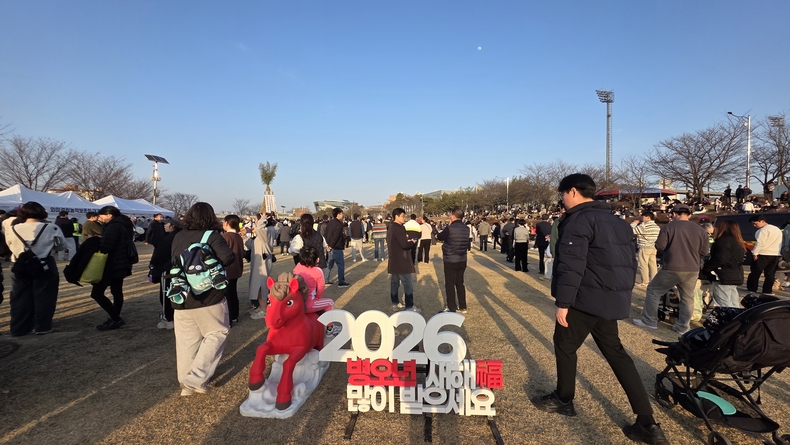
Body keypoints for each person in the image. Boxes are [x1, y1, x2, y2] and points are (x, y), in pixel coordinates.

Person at [531, 174, 668, 445]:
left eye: (562, 194)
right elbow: (629, 264)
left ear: (572, 191)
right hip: (607, 299)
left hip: (584, 298)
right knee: (617, 354)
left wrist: (563, 303)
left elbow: (571, 266)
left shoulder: (578, 220)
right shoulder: (619, 223)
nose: (562, 199)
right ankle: (647, 422)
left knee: (565, 345)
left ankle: (564, 399)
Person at [170, 202, 235, 395]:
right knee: (217, 333)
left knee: (186, 341)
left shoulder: (178, 236)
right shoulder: (211, 236)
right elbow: (228, 258)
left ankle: (185, 382)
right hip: (209, 296)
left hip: (182, 295)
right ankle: (196, 378)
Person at [634, 204, 709, 334]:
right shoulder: (700, 230)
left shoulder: (669, 227)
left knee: (653, 291)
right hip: (693, 268)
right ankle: (683, 327)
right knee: (687, 297)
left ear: (674, 214)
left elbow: (660, 246)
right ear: (689, 215)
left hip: (672, 266)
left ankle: (649, 321)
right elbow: (704, 251)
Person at [4, 202, 65, 336]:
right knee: (45, 297)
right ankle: (42, 326)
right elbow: (61, 246)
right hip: (44, 263)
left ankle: (20, 328)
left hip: (19, 264)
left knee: (19, 297)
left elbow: (9, 245)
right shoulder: (51, 227)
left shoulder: (12, 228)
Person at [89, 206, 136, 331]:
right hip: (122, 263)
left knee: (97, 293)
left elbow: (106, 247)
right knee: (117, 291)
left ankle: (115, 318)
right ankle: (115, 317)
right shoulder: (124, 224)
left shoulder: (113, 226)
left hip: (111, 264)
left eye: (102, 215)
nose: (100, 218)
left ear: (110, 215)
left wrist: (97, 241)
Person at [702, 219, 745, 308]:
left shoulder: (722, 241)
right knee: (733, 301)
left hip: (723, 275)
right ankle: (737, 316)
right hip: (735, 274)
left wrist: (706, 268)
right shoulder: (738, 241)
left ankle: (729, 316)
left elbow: (720, 259)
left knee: (724, 303)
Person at [149, 219, 181, 329]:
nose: (164, 226)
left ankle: (168, 318)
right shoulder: (182, 237)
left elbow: (158, 255)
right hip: (179, 269)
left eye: (166, 223)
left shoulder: (167, 239)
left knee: (166, 294)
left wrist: (153, 265)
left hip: (167, 270)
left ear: (172, 226)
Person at [387, 207, 419, 312]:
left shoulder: (391, 227)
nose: (404, 218)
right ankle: (409, 306)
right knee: (407, 283)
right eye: (402, 216)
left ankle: (394, 303)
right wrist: (412, 242)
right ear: (396, 216)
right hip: (402, 260)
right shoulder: (399, 228)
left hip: (394, 259)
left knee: (394, 282)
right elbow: (404, 245)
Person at [436, 207, 468, 313]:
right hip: (462, 258)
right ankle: (462, 305)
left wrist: (449, 225)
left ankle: (451, 307)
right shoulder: (466, 228)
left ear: (453, 216)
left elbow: (440, 236)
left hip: (450, 259)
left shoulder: (450, 228)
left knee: (449, 284)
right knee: (460, 283)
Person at [247, 213, 274, 320]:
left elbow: (259, 228)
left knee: (261, 286)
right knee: (257, 286)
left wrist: (263, 218)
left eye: (256, 220)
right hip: (258, 262)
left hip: (262, 263)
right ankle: (261, 307)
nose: (255, 221)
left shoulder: (267, 231)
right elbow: (252, 245)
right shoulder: (263, 233)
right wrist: (244, 238)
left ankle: (264, 310)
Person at [747, 214, 782, 295]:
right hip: (775, 254)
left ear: (762, 221)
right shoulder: (777, 229)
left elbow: (760, 243)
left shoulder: (762, 230)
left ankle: (752, 288)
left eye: (755, 223)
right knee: (770, 273)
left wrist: (755, 252)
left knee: (755, 272)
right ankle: (767, 290)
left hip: (763, 253)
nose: (754, 225)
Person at [222, 215, 245, 325]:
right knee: (233, 293)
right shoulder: (238, 237)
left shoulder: (225, 237)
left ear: (227, 223)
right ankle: (235, 315)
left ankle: (230, 318)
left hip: (227, 270)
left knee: (227, 295)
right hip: (237, 268)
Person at [631, 211, 660, 287]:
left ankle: (645, 282)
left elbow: (631, 230)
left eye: (643, 216)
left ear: (648, 217)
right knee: (653, 265)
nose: (642, 218)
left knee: (643, 265)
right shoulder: (656, 226)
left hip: (644, 247)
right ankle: (654, 281)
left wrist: (634, 223)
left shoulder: (644, 225)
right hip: (653, 247)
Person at [325, 208, 350, 287]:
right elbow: (336, 236)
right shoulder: (339, 224)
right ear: (338, 214)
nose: (342, 215)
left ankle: (326, 279)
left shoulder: (330, 223)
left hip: (330, 246)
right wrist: (331, 246)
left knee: (329, 264)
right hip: (336, 247)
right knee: (340, 265)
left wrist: (327, 245)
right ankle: (341, 282)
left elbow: (326, 234)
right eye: (341, 214)